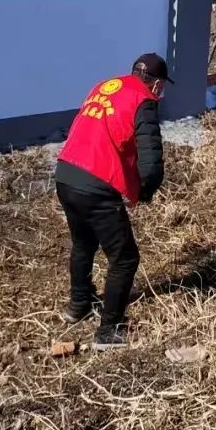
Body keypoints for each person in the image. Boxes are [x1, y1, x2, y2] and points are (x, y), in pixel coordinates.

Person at [53, 53, 170, 349]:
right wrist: (145, 190)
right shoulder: (143, 99)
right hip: (96, 183)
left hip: (66, 174)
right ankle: (108, 331)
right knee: (125, 257)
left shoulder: (104, 87)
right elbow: (151, 160)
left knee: (83, 243)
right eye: (161, 87)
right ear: (157, 84)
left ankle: (78, 305)